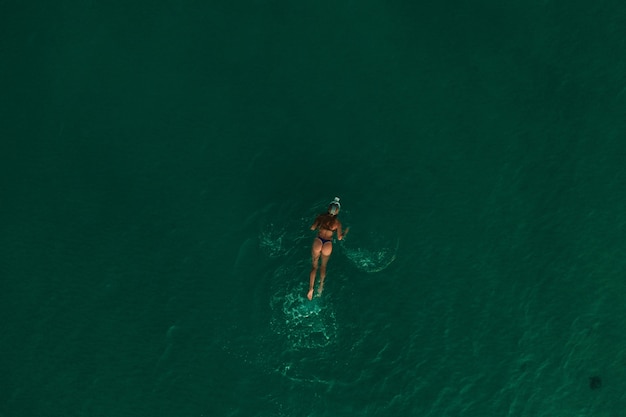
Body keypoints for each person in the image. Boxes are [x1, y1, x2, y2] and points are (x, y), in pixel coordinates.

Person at [307, 197, 349, 300]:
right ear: (337, 211)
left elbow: (312, 228)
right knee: (323, 266)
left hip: (318, 240)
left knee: (314, 266)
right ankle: (320, 287)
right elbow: (339, 238)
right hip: (327, 244)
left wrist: (316, 221)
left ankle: (311, 289)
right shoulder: (338, 223)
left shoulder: (321, 216)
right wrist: (346, 232)